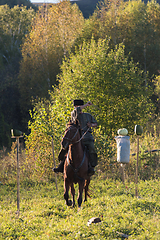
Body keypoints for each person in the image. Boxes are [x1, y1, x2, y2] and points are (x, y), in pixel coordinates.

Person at [53, 99, 98, 176]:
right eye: (76, 106)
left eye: (78, 106)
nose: (77, 108)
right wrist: (86, 105)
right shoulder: (74, 113)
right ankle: (61, 165)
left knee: (91, 148)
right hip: (76, 137)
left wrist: (91, 125)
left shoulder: (88, 115)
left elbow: (96, 124)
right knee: (65, 147)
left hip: (87, 137)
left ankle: (91, 167)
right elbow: (77, 110)